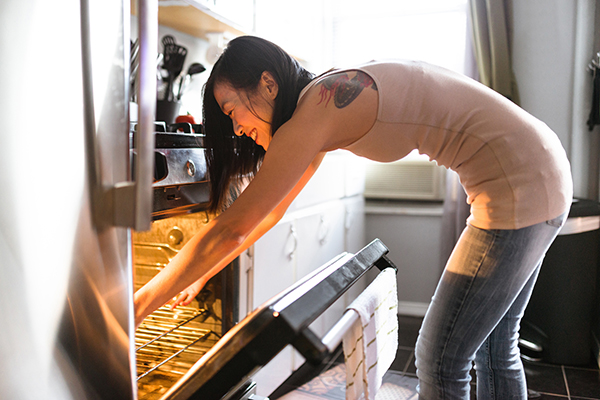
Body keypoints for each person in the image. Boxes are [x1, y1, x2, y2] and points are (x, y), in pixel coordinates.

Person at [134, 35, 572, 399]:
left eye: (232, 110)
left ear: (268, 84)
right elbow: (269, 215)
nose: (234, 128)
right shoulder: (321, 104)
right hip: (539, 168)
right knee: (494, 348)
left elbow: (232, 228)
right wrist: (198, 274)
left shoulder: (316, 112)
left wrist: (137, 305)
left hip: (517, 184)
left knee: (440, 359)